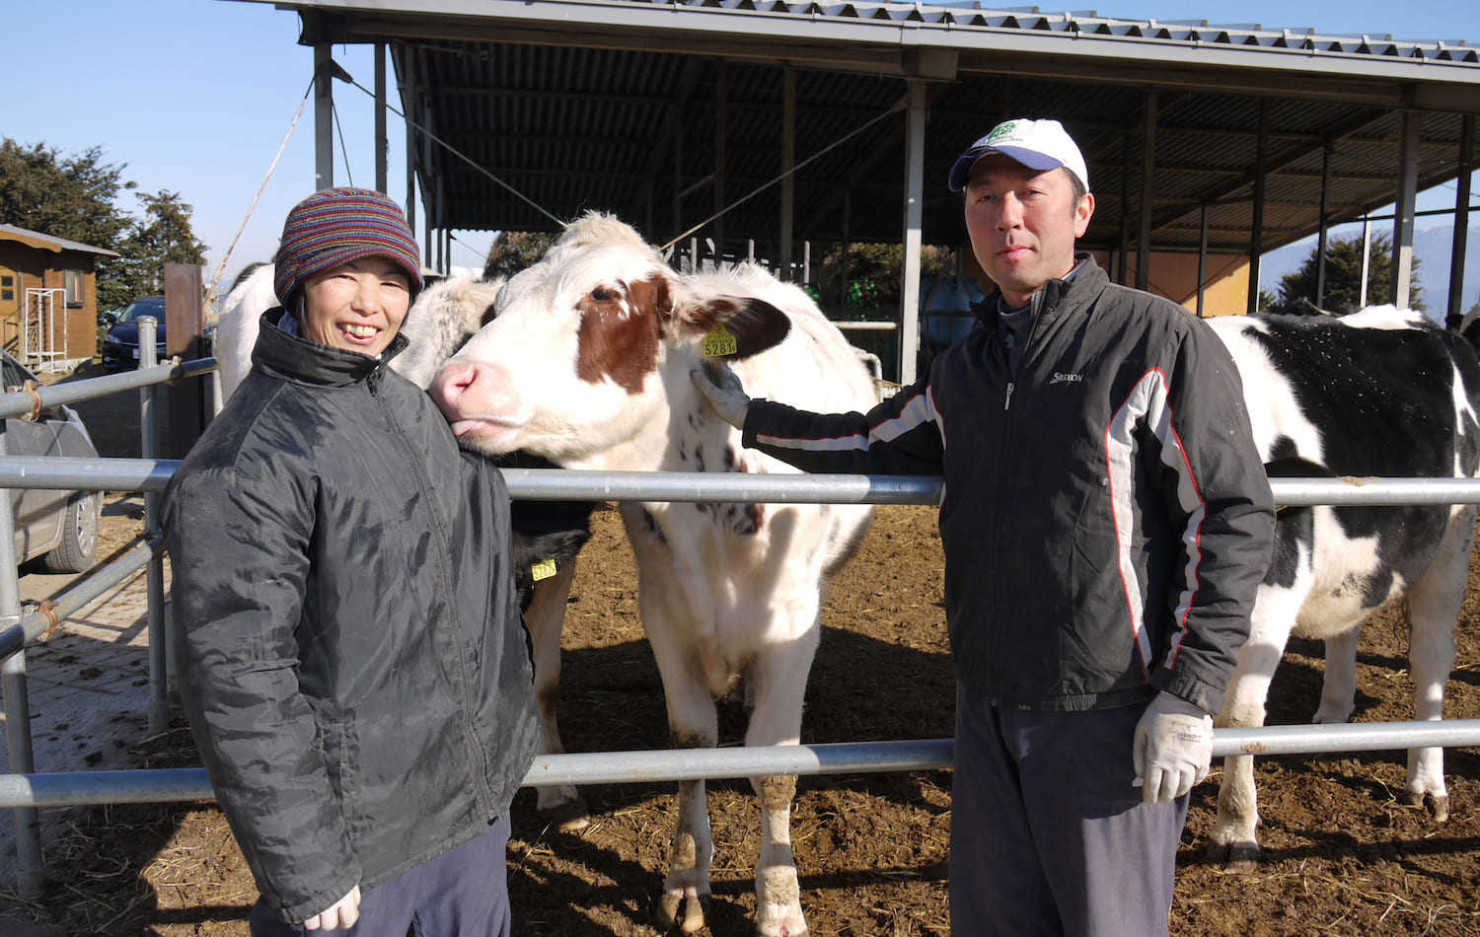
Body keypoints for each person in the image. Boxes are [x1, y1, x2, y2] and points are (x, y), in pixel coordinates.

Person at [691, 119, 1275, 936]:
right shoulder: (966, 368)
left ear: (1081, 211)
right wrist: (751, 417)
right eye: (985, 197)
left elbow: (1232, 514)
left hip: (1106, 711)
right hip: (987, 706)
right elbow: (869, 437)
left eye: (1031, 193)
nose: (1007, 216)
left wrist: (1191, 691)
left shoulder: (1155, 340)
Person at [163, 187, 539, 936]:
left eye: (393, 280)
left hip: (469, 810)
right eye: (345, 275)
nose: (372, 303)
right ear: (299, 283)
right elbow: (237, 674)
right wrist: (304, 860)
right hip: (362, 848)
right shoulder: (248, 460)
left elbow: (479, 562)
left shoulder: (408, 407)